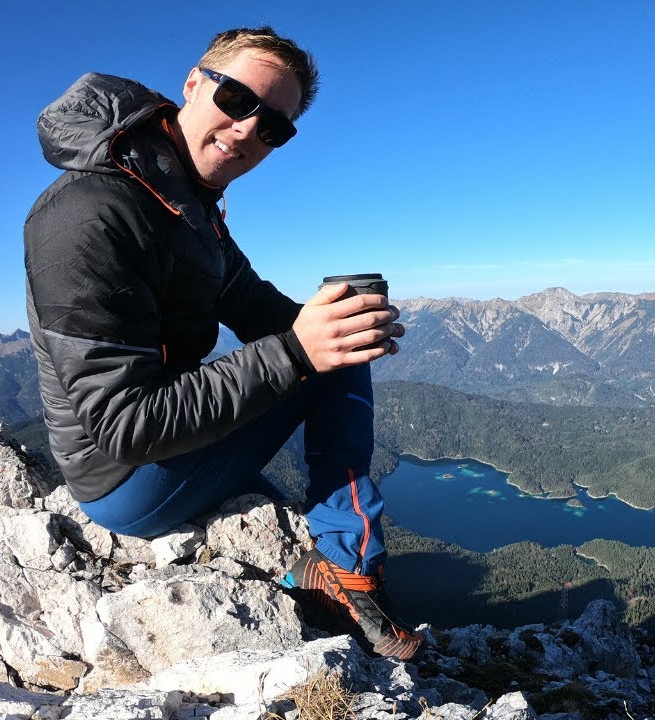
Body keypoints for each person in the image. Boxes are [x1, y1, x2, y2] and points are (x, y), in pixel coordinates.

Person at [23, 27, 421, 660]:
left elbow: (254, 304)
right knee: (328, 361)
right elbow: (124, 426)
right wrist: (303, 351)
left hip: (152, 454)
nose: (246, 131)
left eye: (274, 128)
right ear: (191, 83)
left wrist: (337, 326)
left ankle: (341, 559)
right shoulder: (86, 214)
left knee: (338, 348)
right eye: (237, 99)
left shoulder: (188, 208)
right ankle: (346, 567)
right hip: (122, 478)